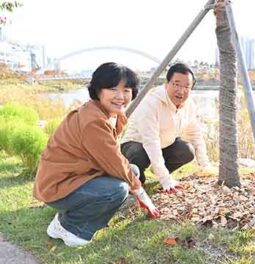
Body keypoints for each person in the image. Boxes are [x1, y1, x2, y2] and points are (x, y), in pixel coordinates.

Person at [34, 62, 159, 247]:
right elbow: (114, 161)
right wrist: (141, 193)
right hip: (57, 187)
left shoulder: (108, 113)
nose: (121, 96)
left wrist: (135, 184)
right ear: (98, 90)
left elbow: (112, 159)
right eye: (112, 89)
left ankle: (70, 216)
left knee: (132, 171)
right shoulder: (93, 121)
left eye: (127, 90)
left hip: (75, 177)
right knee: (117, 189)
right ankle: (68, 226)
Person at [121, 63, 210, 193]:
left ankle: (157, 171)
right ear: (166, 83)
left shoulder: (188, 104)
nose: (181, 91)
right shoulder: (151, 103)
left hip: (164, 144)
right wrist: (165, 179)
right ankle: (137, 176)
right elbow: (151, 141)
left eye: (187, 86)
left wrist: (205, 166)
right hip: (135, 144)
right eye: (176, 84)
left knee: (187, 150)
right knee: (139, 153)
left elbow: (195, 133)